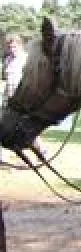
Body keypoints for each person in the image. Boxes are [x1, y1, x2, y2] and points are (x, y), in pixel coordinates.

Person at [2, 34, 47, 163]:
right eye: (10, 46)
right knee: (5, 127)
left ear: (19, 45)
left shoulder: (26, 59)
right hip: (9, 99)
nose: (12, 49)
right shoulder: (8, 60)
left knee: (27, 128)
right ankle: (3, 157)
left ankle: (42, 151)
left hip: (22, 100)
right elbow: (6, 79)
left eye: (14, 46)